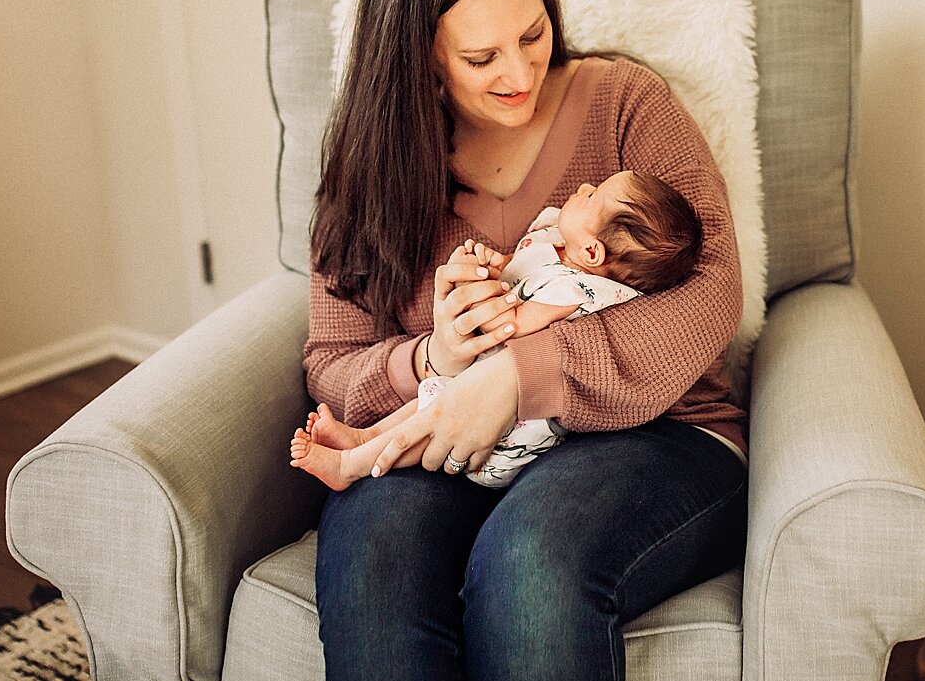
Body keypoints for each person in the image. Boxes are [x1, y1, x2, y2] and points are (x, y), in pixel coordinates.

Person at [306, 0, 747, 681]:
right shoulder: (369, 170)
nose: (520, 73)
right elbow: (331, 363)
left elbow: (710, 288)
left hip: (654, 434)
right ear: (420, 59)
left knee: (531, 559)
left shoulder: (625, 105)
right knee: (371, 565)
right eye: (481, 59)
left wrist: (520, 373)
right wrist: (433, 360)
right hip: (445, 444)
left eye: (533, 34)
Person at [290, 168, 702, 490]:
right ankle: (361, 437)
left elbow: (511, 322)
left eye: (592, 196)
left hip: (506, 430)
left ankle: (350, 466)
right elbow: (517, 266)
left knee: (425, 419)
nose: (584, 186)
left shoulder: (574, 290)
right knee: (425, 402)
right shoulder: (560, 240)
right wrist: (489, 266)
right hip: (474, 385)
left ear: (593, 251)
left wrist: (474, 306)